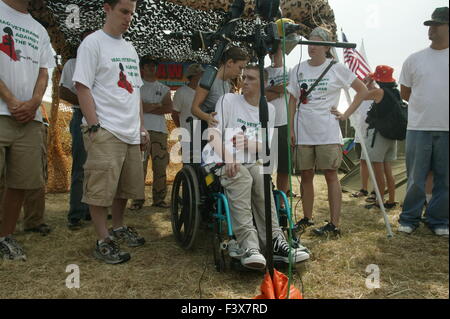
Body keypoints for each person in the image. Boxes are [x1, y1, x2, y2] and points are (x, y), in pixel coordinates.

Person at [202, 65, 310, 270]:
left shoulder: (268, 109)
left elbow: (264, 149)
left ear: (263, 84)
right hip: (219, 158)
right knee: (242, 176)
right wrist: (228, 158)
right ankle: (248, 246)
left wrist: (249, 145)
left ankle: (276, 242)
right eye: (244, 77)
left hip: (248, 160)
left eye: (251, 79)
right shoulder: (228, 100)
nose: (244, 82)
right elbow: (212, 135)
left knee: (261, 178)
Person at [73, 0, 149, 264]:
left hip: (130, 131)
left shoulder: (130, 48)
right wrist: (94, 125)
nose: (128, 18)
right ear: (107, 8)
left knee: (123, 188)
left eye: (132, 13)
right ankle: (103, 239)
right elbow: (82, 87)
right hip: (106, 128)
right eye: (124, 11)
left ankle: (118, 227)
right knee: (100, 190)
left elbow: (136, 90)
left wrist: (141, 126)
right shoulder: (92, 43)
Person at [288, 27, 368, 237]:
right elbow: (292, 100)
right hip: (303, 129)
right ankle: (306, 217)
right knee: (306, 174)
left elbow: (363, 90)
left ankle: (334, 224)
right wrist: (290, 129)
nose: (310, 47)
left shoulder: (337, 68)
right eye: (308, 43)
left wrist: (345, 114)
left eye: (315, 43)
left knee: (331, 175)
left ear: (326, 46)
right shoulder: (296, 69)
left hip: (327, 132)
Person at [0, 0, 55, 260]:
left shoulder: (39, 30)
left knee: (21, 183)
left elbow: (44, 72)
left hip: (29, 119)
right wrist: (10, 100)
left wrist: (34, 102)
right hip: (2, 111)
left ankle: (4, 238)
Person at [398, 7, 449, 237]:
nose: (432, 28)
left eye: (437, 24)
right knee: (415, 179)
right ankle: (409, 218)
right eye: (430, 24)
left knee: (445, 180)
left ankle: (438, 220)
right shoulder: (414, 59)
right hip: (418, 127)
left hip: (447, 129)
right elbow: (405, 93)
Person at [129, 58, 173, 210]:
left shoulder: (164, 88)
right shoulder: (135, 87)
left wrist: (147, 106)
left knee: (160, 166)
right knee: (139, 166)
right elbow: (134, 107)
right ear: (142, 68)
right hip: (140, 131)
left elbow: (168, 108)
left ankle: (159, 199)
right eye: (147, 65)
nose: (151, 68)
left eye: (154, 65)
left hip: (159, 132)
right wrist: (157, 104)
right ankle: (137, 200)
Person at [59, 34, 92, 230]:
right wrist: (88, 104)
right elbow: (63, 92)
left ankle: (91, 209)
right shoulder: (73, 63)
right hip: (81, 116)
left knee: (97, 167)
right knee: (81, 166)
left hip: (102, 119)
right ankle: (76, 214)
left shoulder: (101, 64)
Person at [191, 46, 249, 155]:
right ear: (230, 62)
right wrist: (207, 117)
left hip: (220, 133)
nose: (240, 72)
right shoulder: (209, 79)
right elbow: (194, 109)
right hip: (204, 131)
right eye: (240, 68)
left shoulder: (227, 83)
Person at [359, 66, 400, 210]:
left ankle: (379, 201)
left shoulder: (379, 92)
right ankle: (391, 200)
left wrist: (366, 83)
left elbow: (361, 94)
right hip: (392, 135)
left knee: (378, 171)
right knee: (388, 170)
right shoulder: (396, 92)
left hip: (379, 135)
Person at [265, 46, 293, 196]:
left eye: (277, 51)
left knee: (284, 167)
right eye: (272, 52)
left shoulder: (290, 72)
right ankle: (266, 195)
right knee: (265, 166)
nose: (274, 54)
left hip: (284, 124)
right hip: (266, 125)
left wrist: (271, 89)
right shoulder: (264, 71)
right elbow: (263, 95)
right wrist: (280, 90)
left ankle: (281, 202)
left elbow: (289, 89)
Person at [172, 63, 205, 163]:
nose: (202, 77)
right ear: (194, 76)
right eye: (201, 74)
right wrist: (182, 127)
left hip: (203, 134)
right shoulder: (181, 92)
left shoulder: (205, 92)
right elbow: (174, 114)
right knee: (189, 164)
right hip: (187, 135)